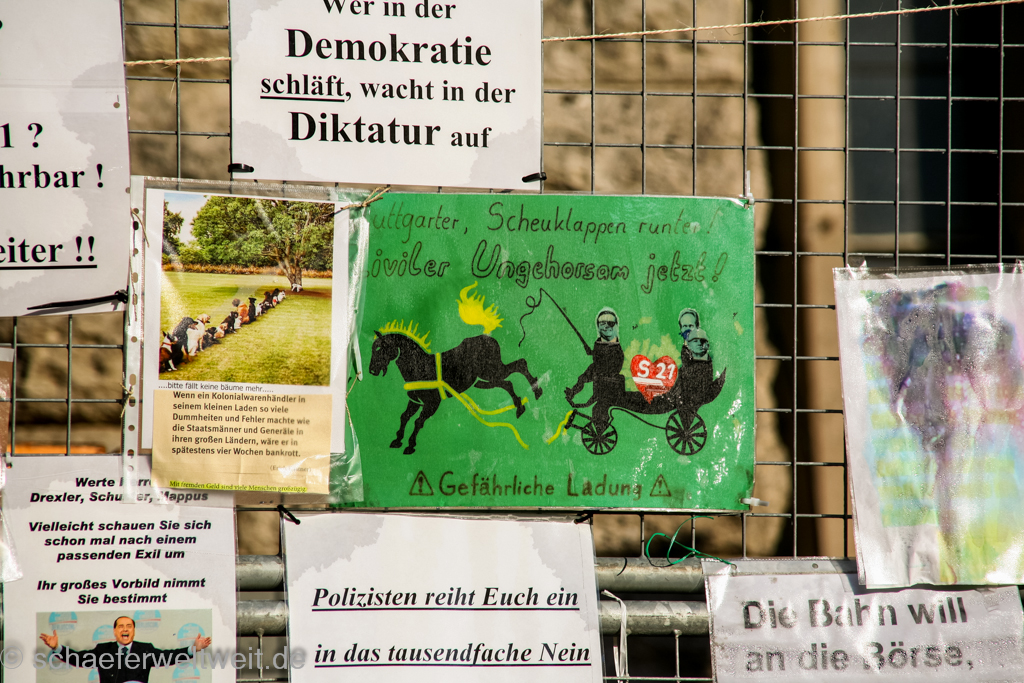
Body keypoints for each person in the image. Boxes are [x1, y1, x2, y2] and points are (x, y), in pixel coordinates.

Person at [39, 615, 211, 683]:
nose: (125, 629)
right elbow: (78, 659)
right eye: (120, 626)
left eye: (129, 626)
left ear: (133, 631)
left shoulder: (145, 650)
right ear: (114, 631)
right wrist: (57, 648)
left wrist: (193, 649)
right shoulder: (103, 650)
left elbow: (169, 656)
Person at [566, 307, 642, 434]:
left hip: (607, 382)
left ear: (616, 326)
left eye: (610, 323)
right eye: (602, 323)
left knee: (598, 408)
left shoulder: (615, 350)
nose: (606, 326)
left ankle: (599, 427)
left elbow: (611, 365)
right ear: (598, 326)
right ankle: (573, 393)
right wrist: (593, 353)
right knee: (583, 379)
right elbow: (595, 363)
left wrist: (596, 356)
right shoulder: (600, 346)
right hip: (599, 375)